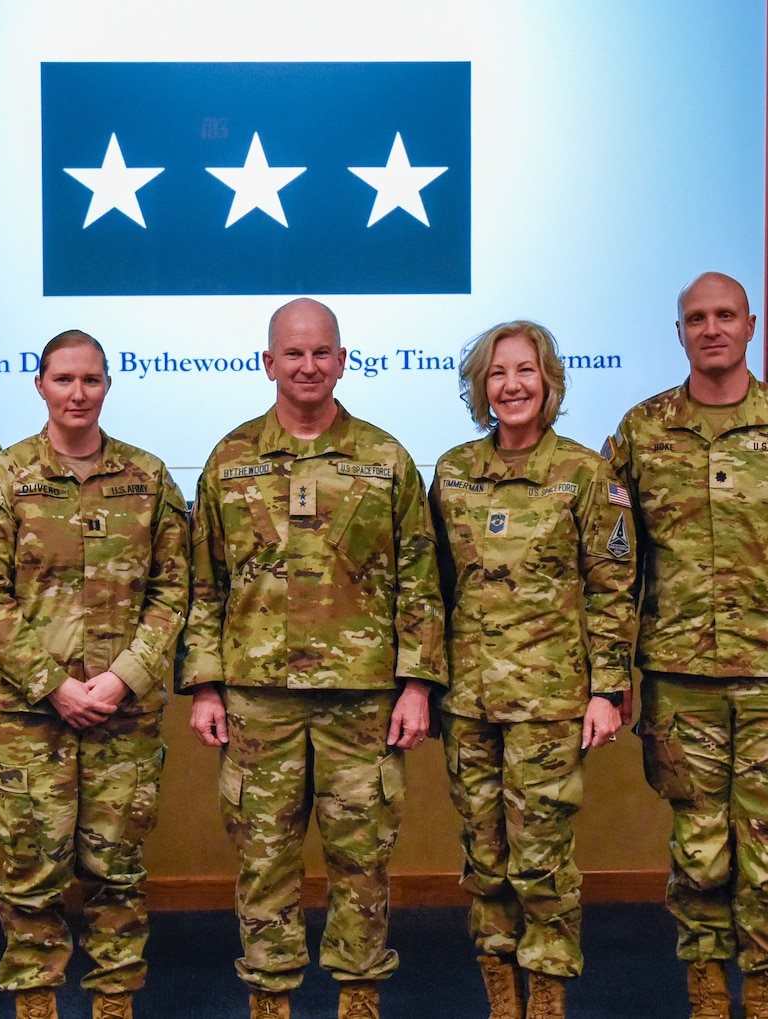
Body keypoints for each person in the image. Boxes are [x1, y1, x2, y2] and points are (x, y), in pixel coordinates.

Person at [606, 272, 768, 1019]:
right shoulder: (639, 433)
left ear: (752, 325)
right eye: (697, 317)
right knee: (697, 849)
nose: (712, 327)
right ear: (680, 331)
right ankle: (704, 994)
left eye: (726, 314)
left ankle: (763, 995)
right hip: (679, 679)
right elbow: (613, 563)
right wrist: (608, 673)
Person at [181, 298, 445, 1019]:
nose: (307, 365)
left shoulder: (386, 459)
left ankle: (358, 1003)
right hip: (257, 701)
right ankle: (272, 1005)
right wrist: (204, 685)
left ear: (342, 359)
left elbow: (420, 579)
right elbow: (204, 581)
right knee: (264, 865)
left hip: (360, 703)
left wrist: (417, 684)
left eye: (321, 352)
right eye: (292, 353)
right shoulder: (230, 458)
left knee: (362, 866)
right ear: (268, 362)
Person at [0, 330, 191, 1019]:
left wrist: (121, 679)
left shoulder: (148, 478)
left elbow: (174, 591)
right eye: (63, 379)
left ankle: (113, 1002)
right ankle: (36, 1003)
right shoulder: (2, 479)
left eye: (91, 379)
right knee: (31, 871)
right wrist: (53, 684)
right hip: (28, 715)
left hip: (123, 712)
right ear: (39, 385)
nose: (77, 393)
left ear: (108, 385)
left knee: (117, 871)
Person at [429, 321, 637, 1019]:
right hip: (468, 701)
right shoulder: (453, 470)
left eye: (525, 370)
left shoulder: (584, 472)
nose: (511, 385)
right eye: (496, 373)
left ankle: (546, 1003)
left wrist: (608, 690)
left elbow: (613, 589)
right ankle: (502, 1003)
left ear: (550, 379)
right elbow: (434, 586)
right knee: (484, 862)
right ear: (479, 387)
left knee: (541, 863)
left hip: (550, 702)